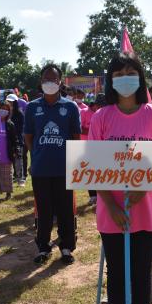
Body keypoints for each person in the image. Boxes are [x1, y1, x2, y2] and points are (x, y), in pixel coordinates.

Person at [89, 52, 152, 304]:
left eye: (131, 71)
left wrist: (144, 188)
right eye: (119, 72)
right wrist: (111, 205)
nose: (125, 77)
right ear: (111, 79)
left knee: (140, 274)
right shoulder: (101, 117)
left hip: (147, 210)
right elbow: (91, 166)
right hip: (111, 213)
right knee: (117, 274)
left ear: (140, 77)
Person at [24, 63, 80, 265]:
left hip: (64, 169)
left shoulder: (70, 107)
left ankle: (66, 247)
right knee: (44, 211)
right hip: (41, 169)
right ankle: (43, 247)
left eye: (53, 79)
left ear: (60, 82)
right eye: (46, 79)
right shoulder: (32, 107)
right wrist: (36, 155)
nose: (50, 83)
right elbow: (28, 137)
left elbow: (75, 137)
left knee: (66, 210)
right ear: (41, 82)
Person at [81, 93, 106, 205]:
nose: (100, 108)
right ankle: (93, 195)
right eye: (99, 105)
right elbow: (80, 129)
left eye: (103, 105)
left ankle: (102, 195)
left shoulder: (107, 115)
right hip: (88, 146)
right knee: (91, 171)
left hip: (103, 147)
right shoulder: (86, 113)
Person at [0, 100, 19, 200]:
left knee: (7, 174)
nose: (4, 111)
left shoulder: (10, 124)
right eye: (2, 108)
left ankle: (8, 192)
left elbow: (14, 139)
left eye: (6, 109)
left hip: (7, 154)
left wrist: (15, 151)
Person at [6, 93, 25, 186]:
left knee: (18, 159)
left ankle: (20, 179)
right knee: (9, 160)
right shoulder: (6, 113)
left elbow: (20, 128)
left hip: (17, 139)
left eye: (11, 102)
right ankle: (11, 177)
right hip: (8, 139)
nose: (9, 103)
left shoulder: (20, 113)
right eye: (8, 101)